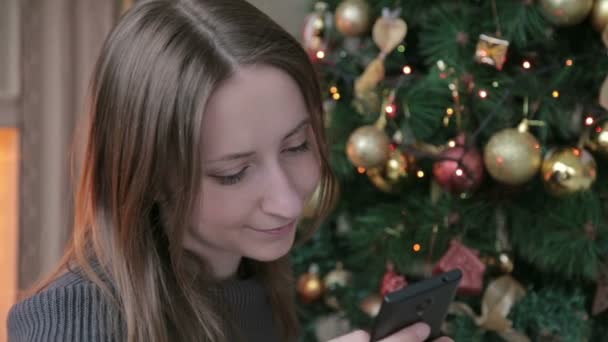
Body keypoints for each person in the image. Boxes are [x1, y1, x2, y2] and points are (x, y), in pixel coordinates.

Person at [7, 1, 454, 341]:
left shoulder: (255, 284)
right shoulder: (68, 320)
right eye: (233, 172)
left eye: (297, 145)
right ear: (149, 176)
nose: (287, 200)